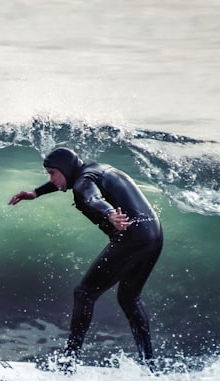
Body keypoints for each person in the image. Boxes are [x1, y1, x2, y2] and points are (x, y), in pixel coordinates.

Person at [9, 147, 163, 365]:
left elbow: (92, 197)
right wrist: (36, 193)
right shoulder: (97, 169)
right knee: (129, 298)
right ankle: (150, 363)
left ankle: (70, 361)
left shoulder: (82, 184)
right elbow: (83, 185)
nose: (51, 179)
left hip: (131, 237)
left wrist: (109, 214)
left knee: (84, 293)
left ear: (64, 169)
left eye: (52, 173)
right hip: (153, 235)